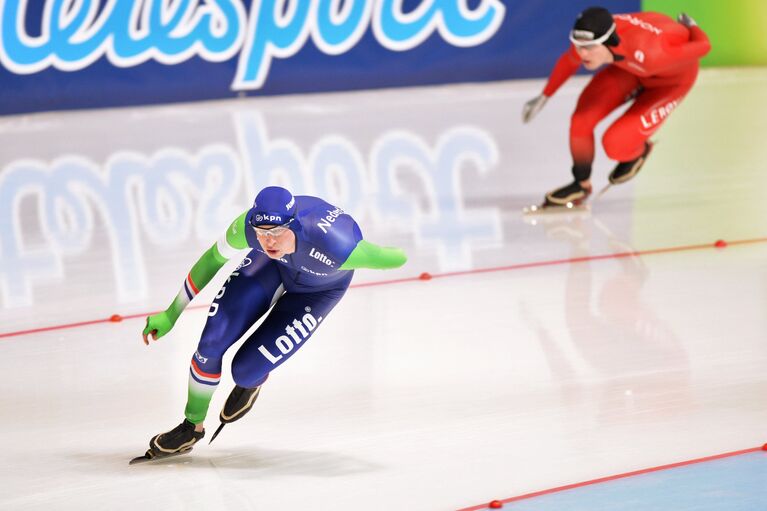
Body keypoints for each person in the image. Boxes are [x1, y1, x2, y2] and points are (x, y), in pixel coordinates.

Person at [135, 186, 407, 461]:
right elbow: (211, 260)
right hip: (273, 267)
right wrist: (171, 313)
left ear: (295, 225)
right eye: (262, 232)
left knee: (244, 371)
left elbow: (394, 257)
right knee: (211, 343)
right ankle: (191, 427)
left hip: (318, 292)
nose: (268, 240)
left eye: (276, 232)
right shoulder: (248, 229)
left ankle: (251, 383)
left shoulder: (337, 246)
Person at [522, 7, 711, 207]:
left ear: (609, 41)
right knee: (581, 121)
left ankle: (640, 151)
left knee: (615, 145)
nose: (582, 53)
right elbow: (570, 60)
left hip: (670, 82)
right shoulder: (593, 33)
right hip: (630, 70)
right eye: (579, 46)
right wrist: (544, 96)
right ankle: (580, 184)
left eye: (590, 48)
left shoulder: (654, 53)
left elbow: (704, 46)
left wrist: (692, 26)